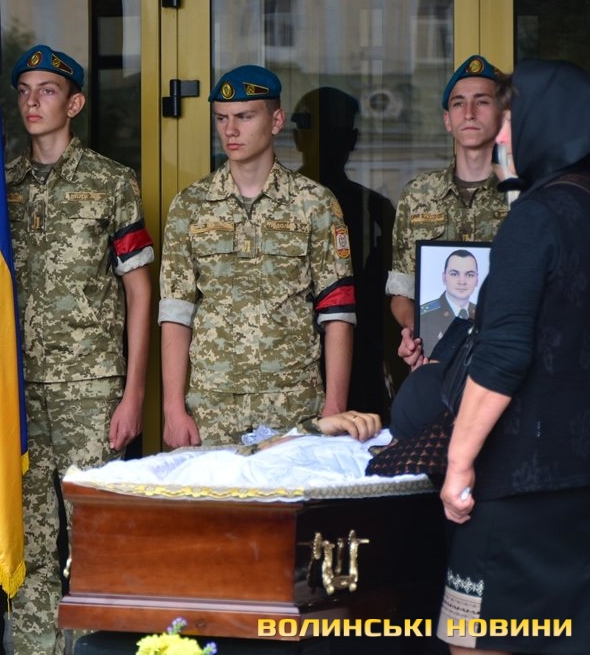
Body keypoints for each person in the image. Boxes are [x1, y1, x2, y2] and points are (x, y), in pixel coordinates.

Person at [439, 60, 590, 655]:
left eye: (510, 119)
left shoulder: (534, 217)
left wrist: (459, 463)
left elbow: (504, 353)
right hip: (584, 480)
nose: (501, 134)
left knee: (473, 640)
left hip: (520, 481)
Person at [4, 44, 154, 655]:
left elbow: (139, 292)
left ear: (74, 103)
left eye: (47, 90)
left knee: (95, 541)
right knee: (29, 546)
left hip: (91, 390)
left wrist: (133, 393)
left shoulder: (110, 182)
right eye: (24, 90)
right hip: (16, 390)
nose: (33, 101)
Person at [159, 64, 356, 449]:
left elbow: (338, 310)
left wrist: (335, 406)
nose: (230, 130)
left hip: (294, 403)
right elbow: (176, 311)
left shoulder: (314, 203)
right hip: (210, 406)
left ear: (277, 120)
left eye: (245, 117)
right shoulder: (191, 205)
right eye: (221, 118)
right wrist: (172, 409)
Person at [387, 55, 507, 371]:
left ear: (503, 114)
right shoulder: (417, 195)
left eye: (482, 102)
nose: (469, 113)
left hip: (506, 364)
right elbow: (401, 291)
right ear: (447, 120)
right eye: (458, 104)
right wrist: (415, 330)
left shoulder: (522, 194)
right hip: (435, 363)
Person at [292, 86, 398, 416]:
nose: (325, 143)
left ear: (351, 140)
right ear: (297, 138)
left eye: (334, 132)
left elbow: (391, 303)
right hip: (285, 365)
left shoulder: (376, 210)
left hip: (361, 359)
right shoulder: (275, 207)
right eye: (317, 131)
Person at [418, 248, 478, 358]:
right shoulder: (424, 316)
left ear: (477, 280)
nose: (462, 282)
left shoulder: (484, 315)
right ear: (444, 278)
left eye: (469, 275)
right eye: (454, 274)